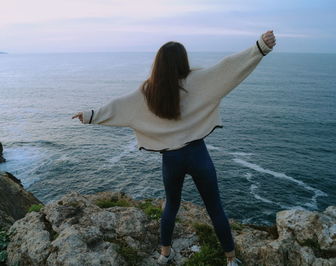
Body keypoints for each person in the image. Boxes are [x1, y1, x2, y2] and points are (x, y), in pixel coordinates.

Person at [72, 30, 276, 265]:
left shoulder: (147, 91)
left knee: (171, 205)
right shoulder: (198, 81)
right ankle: (231, 259)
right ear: (183, 60)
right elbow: (227, 68)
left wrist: (90, 116)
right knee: (215, 208)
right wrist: (260, 48)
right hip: (198, 154)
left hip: (171, 160)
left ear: (158, 63)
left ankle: (164, 255)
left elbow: (119, 106)